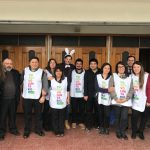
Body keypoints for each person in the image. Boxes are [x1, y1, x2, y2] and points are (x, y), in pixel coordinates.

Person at [22, 57, 48, 138]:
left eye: (36, 62)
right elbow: (19, 82)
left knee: (38, 115)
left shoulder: (42, 72)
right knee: (27, 115)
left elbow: (45, 84)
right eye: (32, 62)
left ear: (38, 63)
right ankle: (27, 130)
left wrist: (43, 96)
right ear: (29, 63)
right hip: (26, 97)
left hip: (38, 97)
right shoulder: (24, 71)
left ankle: (38, 130)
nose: (34, 63)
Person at [109, 61, 133, 140]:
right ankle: (118, 131)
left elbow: (131, 89)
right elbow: (110, 88)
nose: (121, 68)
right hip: (117, 101)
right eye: (119, 67)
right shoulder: (114, 76)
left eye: (122, 67)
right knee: (117, 117)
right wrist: (116, 99)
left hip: (126, 101)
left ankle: (123, 132)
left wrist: (127, 98)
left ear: (125, 68)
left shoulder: (129, 77)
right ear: (117, 68)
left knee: (124, 118)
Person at [0, 58, 21, 140]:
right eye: (7, 63)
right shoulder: (0, 72)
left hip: (13, 98)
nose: (9, 65)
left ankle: (13, 129)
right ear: (3, 64)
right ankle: (1, 131)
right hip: (3, 99)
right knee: (2, 116)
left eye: (10, 63)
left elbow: (20, 82)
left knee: (13, 115)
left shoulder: (16, 72)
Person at [131, 61, 150, 140]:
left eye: (138, 67)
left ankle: (141, 131)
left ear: (141, 67)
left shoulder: (146, 75)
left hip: (145, 100)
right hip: (135, 100)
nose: (136, 68)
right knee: (134, 117)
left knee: (144, 117)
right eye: (134, 67)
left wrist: (149, 100)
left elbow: (149, 88)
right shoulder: (131, 76)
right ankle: (134, 131)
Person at [49, 66, 70, 137]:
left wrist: (68, 98)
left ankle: (61, 130)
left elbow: (67, 90)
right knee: (54, 117)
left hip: (62, 101)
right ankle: (56, 130)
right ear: (55, 72)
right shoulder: (51, 80)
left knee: (62, 117)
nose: (58, 72)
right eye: (57, 71)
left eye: (60, 71)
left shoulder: (65, 80)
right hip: (54, 101)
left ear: (62, 72)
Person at [58, 48, 75, 129]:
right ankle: (59, 121)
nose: (68, 60)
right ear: (64, 59)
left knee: (68, 106)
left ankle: (66, 121)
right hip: (61, 88)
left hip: (70, 89)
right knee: (60, 104)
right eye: (67, 59)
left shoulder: (73, 67)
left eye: (69, 59)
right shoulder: (59, 66)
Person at [95, 63, 113, 135]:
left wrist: (108, 90)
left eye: (108, 68)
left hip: (108, 99)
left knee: (107, 114)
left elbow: (112, 88)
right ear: (102, 68)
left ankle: (106, 127)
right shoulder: (98, 76)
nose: (107, 70)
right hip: (99, 98)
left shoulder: (112, 77)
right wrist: (107, 90)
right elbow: (97, 88)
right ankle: (102, 127)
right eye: (105, 68)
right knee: (100, 113)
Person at [84, 58, 101, 132]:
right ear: (89, 65)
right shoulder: (87, 72)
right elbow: (85, 84)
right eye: (91, 64)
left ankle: (97, 124)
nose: (93, 65)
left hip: (99, 95)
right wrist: (85, 94)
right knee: (89, 111)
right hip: (89, 94)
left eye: (94, 64)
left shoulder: (101, 71)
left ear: (97, 64)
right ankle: (88, 126)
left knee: (98, 110)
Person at [70, 58, 85, 129]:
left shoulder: (85, 72)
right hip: (73, 94)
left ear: (82, 65)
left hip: (82, 94)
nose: (78, 65)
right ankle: (73, 122)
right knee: (74, 109)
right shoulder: (72, 72)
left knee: (82, 109)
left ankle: (81, 122)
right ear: (75, 65)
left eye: (80, 64)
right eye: (77, 64)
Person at [43, 58, 57, 131]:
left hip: (55, 94)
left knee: (53, 110)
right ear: (49, 63)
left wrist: (52, 78)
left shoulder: (58, 71)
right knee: (46, 110)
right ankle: (45, 125)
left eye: (54, 62)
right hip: (47, 94)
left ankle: (53, 125)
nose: (52, 64)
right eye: (51, 62)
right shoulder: (45, 71)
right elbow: (43, 81)